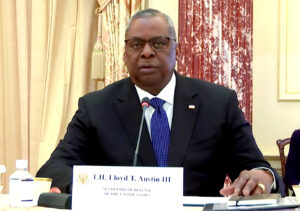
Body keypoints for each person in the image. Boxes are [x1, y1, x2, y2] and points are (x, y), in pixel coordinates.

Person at [36, 8, 284, 196]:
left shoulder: (217, 103)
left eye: (158, 43)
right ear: (124, 54)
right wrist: (104, 187)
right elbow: (52, 171)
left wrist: (261, 178)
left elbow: (260, 170)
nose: (146, 52)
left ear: (177, 50)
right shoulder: (96, 107)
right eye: (136, 44)